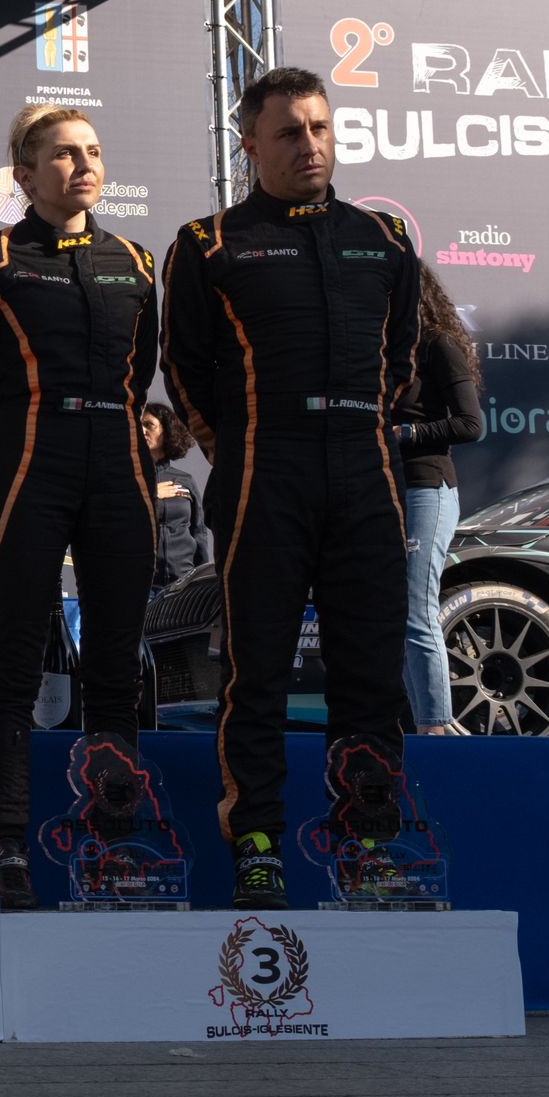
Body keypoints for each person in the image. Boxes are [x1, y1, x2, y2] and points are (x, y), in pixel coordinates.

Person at [161, 65, 419, 909]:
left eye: (319, 128)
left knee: (370, 674)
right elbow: (184, 368)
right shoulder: (209, 243)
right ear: (250, 145)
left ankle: (369, 844)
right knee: (257, 671)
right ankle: (259, 846)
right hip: (263, 474)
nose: (309, 145)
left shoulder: (384, 239)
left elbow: (401, 361)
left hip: (364, 470)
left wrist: (361, 426)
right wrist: (233, 451)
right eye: (288, 132)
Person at [0, 105, 157, 909]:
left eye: (92, 151)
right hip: (29, 462)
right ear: (25, 176)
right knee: (15, 668)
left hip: (119, 469)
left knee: (116, 669)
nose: (83, 164)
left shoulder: (135, 260)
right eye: (63, 154)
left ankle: (113, 844)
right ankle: (7, 850)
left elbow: (143, 377)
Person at [393, 266, 481, 736]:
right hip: (384, 491)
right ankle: (413, 728)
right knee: (391, 615)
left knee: (415, 610)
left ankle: (435, 729)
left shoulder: (438, 345)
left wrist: (404, 433)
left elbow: (471, 424)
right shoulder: (380, 352)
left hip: (427, 487)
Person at [143, 402, 208, 590]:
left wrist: (203, 579)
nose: (142, 430)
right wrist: (152, 496)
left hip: (183, 583)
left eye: (149, 425)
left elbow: (199, 532)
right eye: (139, 425)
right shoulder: (129, 480)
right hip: (143, 584)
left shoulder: (185, 480)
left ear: (167, 431)